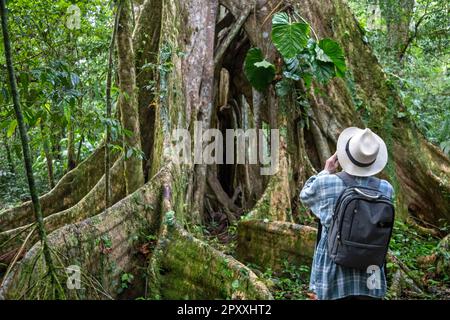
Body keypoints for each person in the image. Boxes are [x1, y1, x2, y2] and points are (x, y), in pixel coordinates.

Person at [300, 127, 394, 300]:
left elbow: (305, 195)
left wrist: (326, 171)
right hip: (372, 272)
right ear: (373, 162)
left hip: (334, 271)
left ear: (344, 156)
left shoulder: (327, 183)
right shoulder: (386, 188)